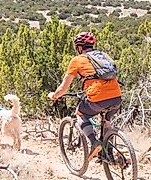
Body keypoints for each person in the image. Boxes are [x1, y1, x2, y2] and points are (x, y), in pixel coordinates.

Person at [48, 31, 122, 161]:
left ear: (79, 47)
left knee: (80, 113)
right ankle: (108, 155)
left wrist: (54, 95)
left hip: (97, 97)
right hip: (116, 97)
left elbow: (64, 87)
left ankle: (94, 143)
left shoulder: (77, 60)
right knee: (107, 122)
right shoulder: (104, 56)